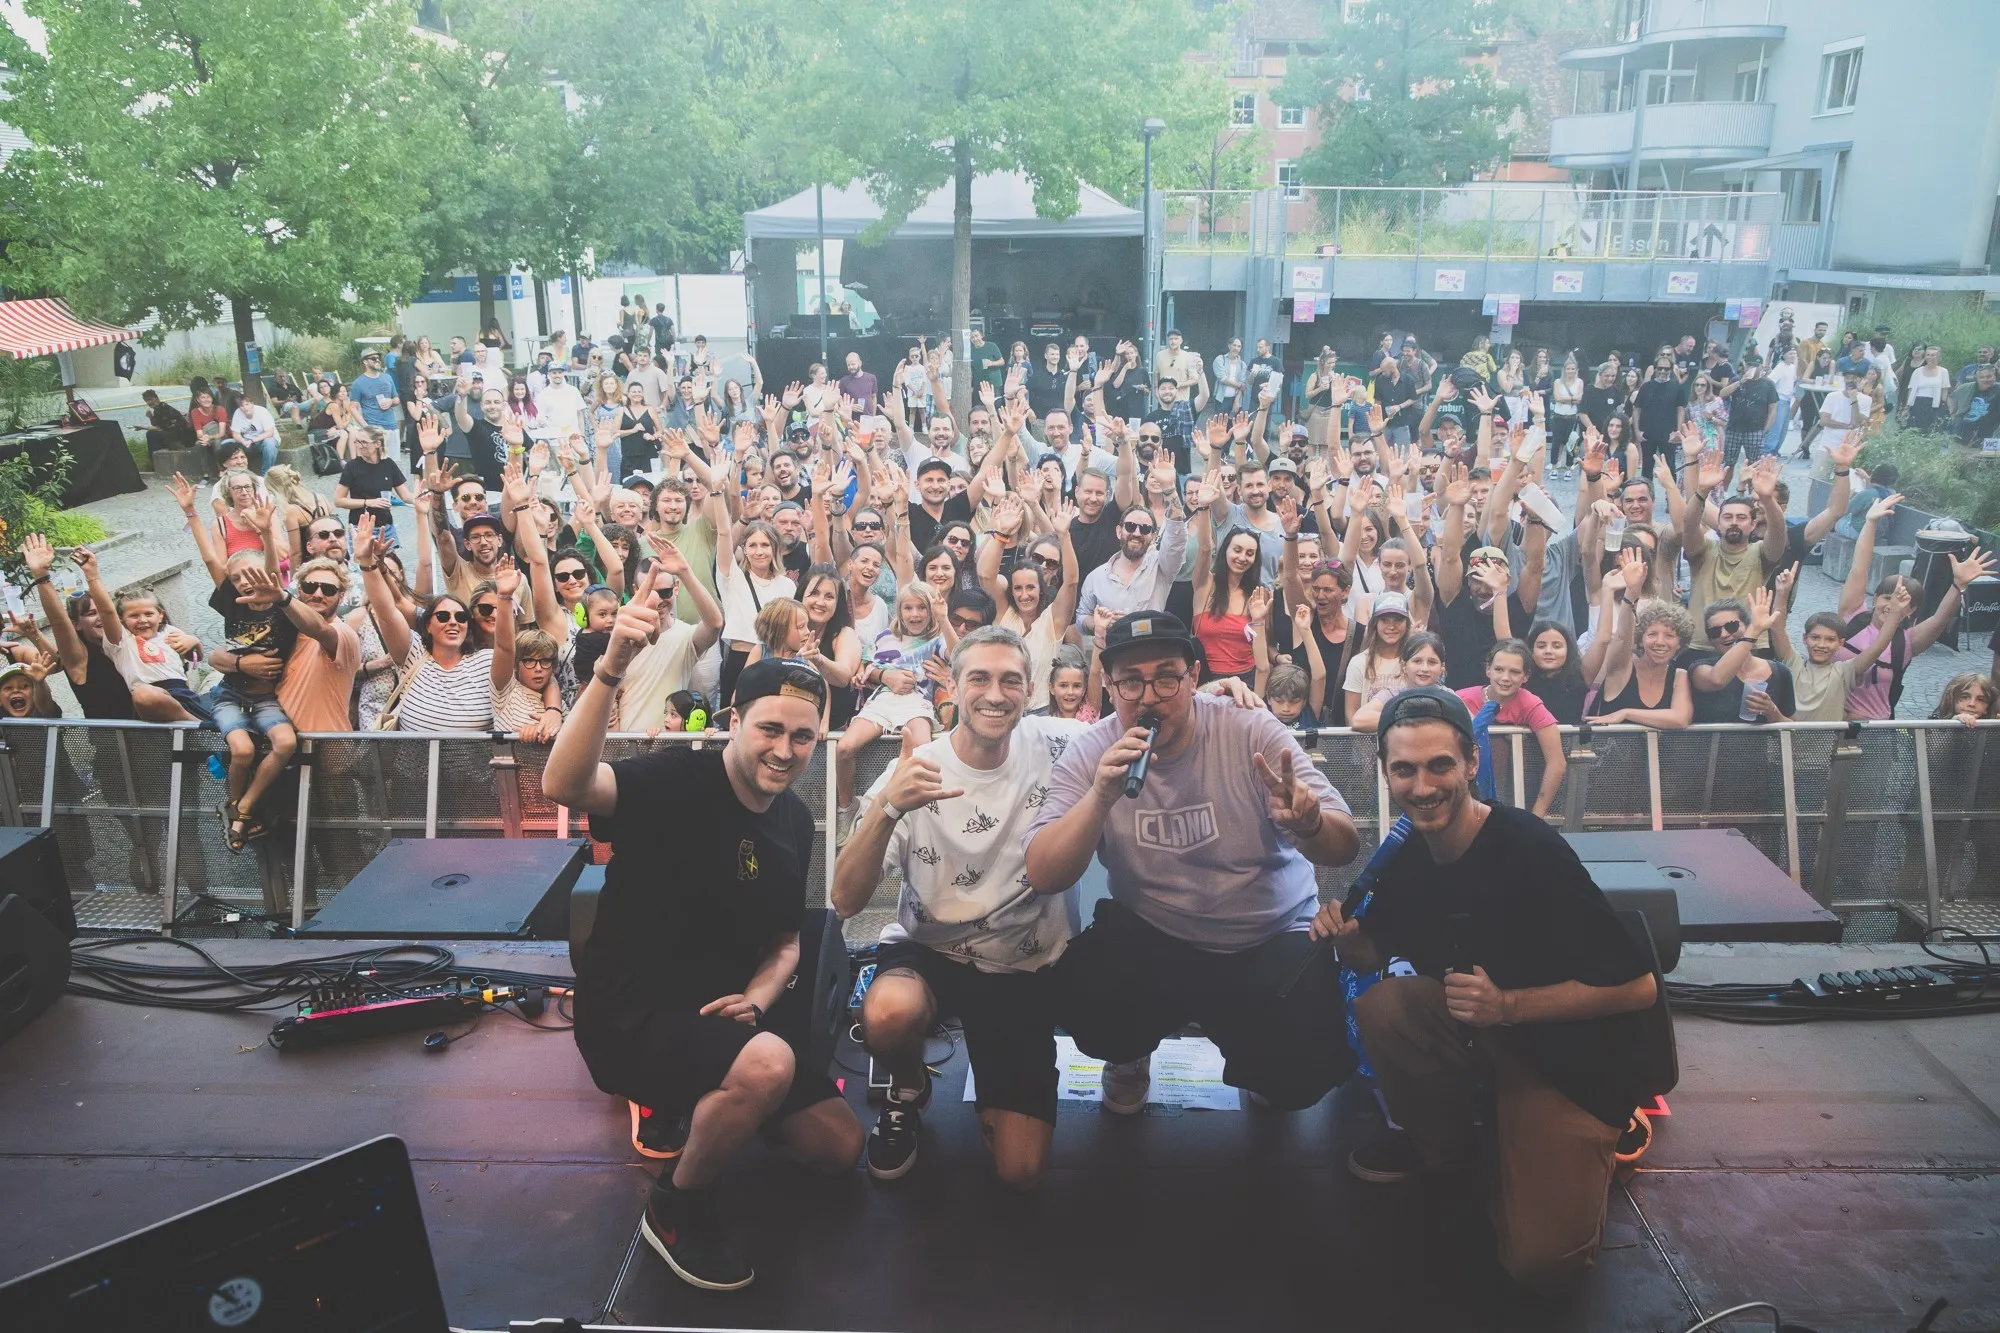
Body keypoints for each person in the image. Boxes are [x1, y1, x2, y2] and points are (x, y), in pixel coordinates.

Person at [1316, 686, 1659, 1294]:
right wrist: (1342, 934)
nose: (1423, 786)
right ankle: (1450, 1155)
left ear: (1472, 764)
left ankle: (1590, 1140)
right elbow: (1373, 947)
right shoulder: (1407, 856)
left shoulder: (1529, 850)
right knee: (1384, 1006)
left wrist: (1509, 1006)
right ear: (1387, 773)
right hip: (1487, 1037)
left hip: (1571, 1060)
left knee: (1539, 1263)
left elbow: (1639, 989)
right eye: (1405, 769)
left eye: (1440, 765)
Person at [544, 639, 862, 1293]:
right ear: (734, 719)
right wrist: (609, 669)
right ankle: (675, 1208)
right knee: (767, 1064)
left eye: (802, 737)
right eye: (770, 728)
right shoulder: (672, 778)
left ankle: (720, 1104)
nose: (784, 749)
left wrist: (759, 997)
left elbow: (786, 944)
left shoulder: (795, 821)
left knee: (839, 1147)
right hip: (630, 1016)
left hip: (721, 1022)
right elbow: (564, 783)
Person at [1026, 611, 1361, 1113]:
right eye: (1131, 682)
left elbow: (1345, 844)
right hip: (1157, 933)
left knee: (1298, 1079)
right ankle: (1129, 1053)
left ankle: (1259, 1058)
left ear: (1194, 677)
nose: (1149, 696)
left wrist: (1309, 823)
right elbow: (1043, 873)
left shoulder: (1249, 728)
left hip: (1267, 932)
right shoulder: (1092, 752)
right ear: (1110, 687)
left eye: (1166, 677)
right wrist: (1099, 798)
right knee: (1085, 995)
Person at [833, 627, 1088, 1187]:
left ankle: (999, 1087)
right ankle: (907, 1086)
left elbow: (1141, 719)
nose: (995, 694)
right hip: (932, 951)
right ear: (954, 684)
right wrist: (887, 810)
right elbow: (845, 899)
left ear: (1030, 689)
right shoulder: (917, 766)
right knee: (886, 1014)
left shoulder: (1062, 741)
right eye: (980, 678)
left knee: (1020, 1171)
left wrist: (1221, 694)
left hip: (1023, 965)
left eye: (1010, 681)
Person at [1459, 639, 1566, 819]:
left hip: (1511, 794)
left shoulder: (1530, 703)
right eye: (1499, 669)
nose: (1505, 678)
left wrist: (1536, 818)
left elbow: (1557, 763)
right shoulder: (1461, 699)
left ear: (1525, 677)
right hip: (1464, 793)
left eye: (1514, 672)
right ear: (1488, 670)